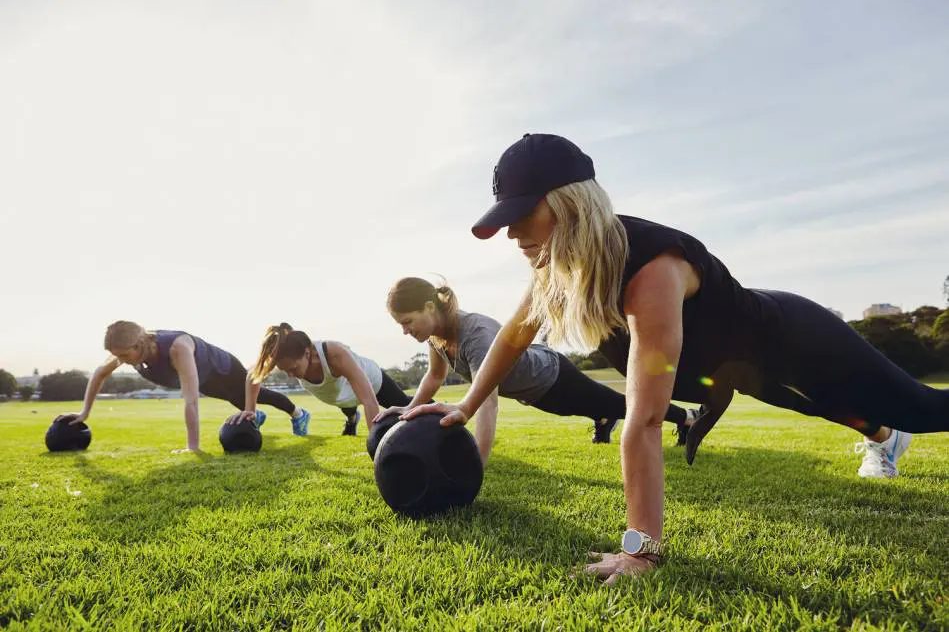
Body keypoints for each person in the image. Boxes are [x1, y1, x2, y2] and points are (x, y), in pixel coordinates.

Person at [402, 133, 947, 583]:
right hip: (737, 371)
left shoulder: (652, 268)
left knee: (925, 410)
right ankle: (884, 439)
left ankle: (896, 430)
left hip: (799, 340)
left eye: (522, 215)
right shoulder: (557, 269)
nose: (512, 233)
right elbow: (514, 338)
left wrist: (641, 551)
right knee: (823, 409)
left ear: (569, 205)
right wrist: (465, 407)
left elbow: (642, 419)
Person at [378, 277, 705, 459]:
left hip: (552, 375)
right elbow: (434, 376)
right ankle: (603, 420)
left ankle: (688, 419)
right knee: (590, 408)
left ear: (429, 306)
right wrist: (408, 408)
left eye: (407, 322)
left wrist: (478, 460)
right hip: (534, 390)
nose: (406, 332)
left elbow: (486, 400)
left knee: (620, 403)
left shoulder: (474, 333)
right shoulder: (436, 338)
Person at [65, 321, 310, 453]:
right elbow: (99, 374)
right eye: (117, 355)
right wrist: (84, 412)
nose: (122, 361)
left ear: (140, 343)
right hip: (208, 381)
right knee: (239, 403)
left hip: (224, 369)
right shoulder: (131, 352)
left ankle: (298, 414)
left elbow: (191, 400)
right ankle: (255, 414)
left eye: (124, 355)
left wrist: (192, 447)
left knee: (253, 396)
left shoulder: (177, 348)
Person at [231, 323, 413, 436]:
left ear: (308, 353)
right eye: (285, 371)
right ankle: (351, 420)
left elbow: (368, 400)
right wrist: (250, 410)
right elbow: (252, 376)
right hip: (339, 396)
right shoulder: (287, 358)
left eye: (293, 369)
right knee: (346, 404)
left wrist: (376, 441)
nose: (291, 375)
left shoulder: (334, 354)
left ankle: (438, 409)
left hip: (373, 384)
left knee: (409, 407)